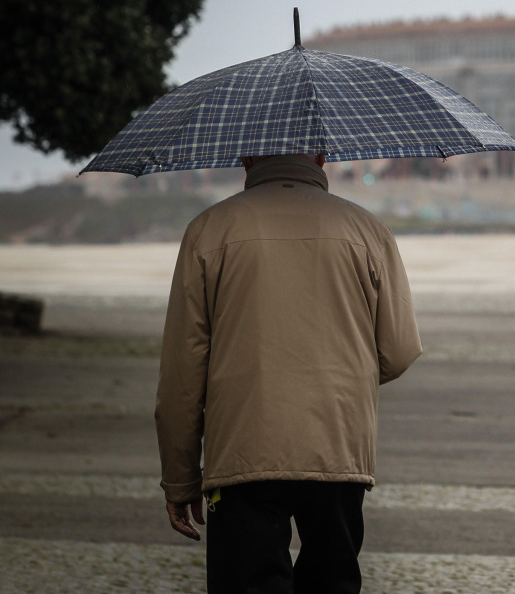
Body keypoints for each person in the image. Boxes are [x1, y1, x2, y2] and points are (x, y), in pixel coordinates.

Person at [155, 154, 422, 594]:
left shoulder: (209, 230)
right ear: (321, 156)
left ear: (246, 155)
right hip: (337, 446)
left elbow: (183, 371)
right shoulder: (368, 230)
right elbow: (398, 351)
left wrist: (181, 477)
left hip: (242, 448)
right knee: (331, 582)